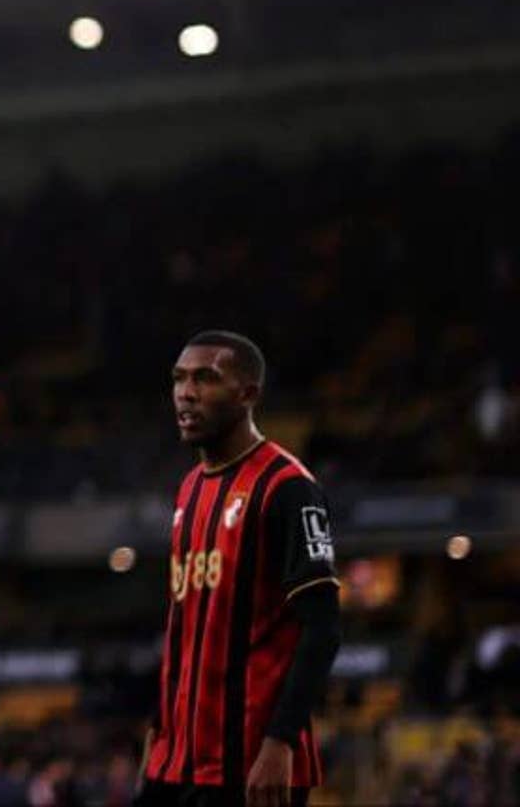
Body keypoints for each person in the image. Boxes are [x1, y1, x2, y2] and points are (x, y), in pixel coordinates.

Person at [139, 331, 342, 807]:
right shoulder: (189, 489)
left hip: (251, 763)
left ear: (248, 394)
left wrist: (280, 743)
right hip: (176, 758)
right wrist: (157, 728)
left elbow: (323, 627)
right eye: (179, 379)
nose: (186, 392)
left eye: (206, 379)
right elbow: (184, 628)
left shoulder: (287, 487)